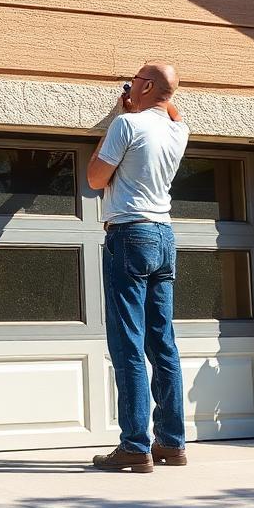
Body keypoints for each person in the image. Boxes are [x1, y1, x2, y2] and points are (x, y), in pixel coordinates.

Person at [86, 61, 190, 473]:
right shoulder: (179, 130)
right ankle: (171, 443)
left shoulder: (126, 126)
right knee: (162, 342)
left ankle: (134, 446)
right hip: (164, 236)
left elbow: (96, 179)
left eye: (137, 80)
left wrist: (121, 115)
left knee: (128, 343)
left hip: (130, 234)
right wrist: (146, 97)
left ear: (144, 86)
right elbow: (173, 109)